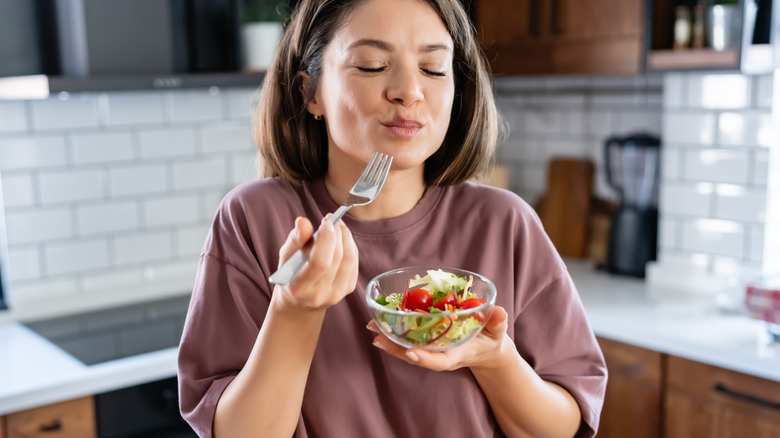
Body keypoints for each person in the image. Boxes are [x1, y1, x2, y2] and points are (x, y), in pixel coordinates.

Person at [177, 0, 607, 436]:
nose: (409, 90)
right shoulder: (252, 219)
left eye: (434, 69)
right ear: (310, 93)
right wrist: (294, 311)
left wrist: (493, 358)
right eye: (371, 65)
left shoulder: (506, 224)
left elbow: (564, 427)